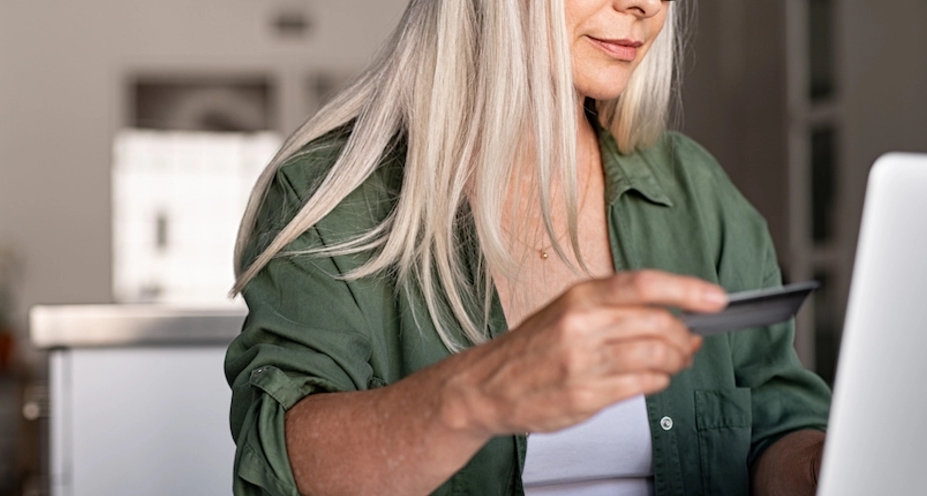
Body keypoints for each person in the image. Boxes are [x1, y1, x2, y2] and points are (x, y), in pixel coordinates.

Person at [225, 0, 832, 494]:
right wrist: (482, 394)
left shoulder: (695, 191)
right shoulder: (330, 196)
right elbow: (281, 465)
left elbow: (775, 425)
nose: (644, 6)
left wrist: (826, 466)